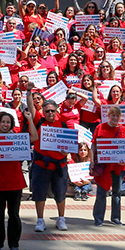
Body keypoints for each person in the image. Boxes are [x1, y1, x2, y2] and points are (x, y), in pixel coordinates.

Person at [24, 99, 74, 232]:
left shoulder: (64, 125)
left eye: (52, 110)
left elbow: (70, 145)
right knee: (39, 194)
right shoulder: (39, 122)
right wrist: (29, 91)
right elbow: (30, 106)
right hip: (41, 165)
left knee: (60, 194)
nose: (50, 113)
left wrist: (66, 151)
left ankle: (61, 218)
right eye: (47, 111)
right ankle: (40, 220)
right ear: (43, 112)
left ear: (56, 110)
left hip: (59, 166)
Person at [0, 112, 24, 250]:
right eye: (3, 122)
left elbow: (33, 138)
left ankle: (14, 243)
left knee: (14, 214)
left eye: (8, 122)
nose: (5, 124)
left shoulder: (18, 139)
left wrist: (28, 119)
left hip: (15, 182)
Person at [92, 105, 125, 226]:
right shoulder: (100, 127)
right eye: (113, 115)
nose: (115, 118)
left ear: (120, 117)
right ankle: (98, 218)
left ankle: (115, 217)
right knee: (102, 192)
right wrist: (92, 160)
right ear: (108, 116)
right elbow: (93, 145)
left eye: (117, 116)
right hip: (104, 165)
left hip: (119, 166)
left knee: (117, 192)